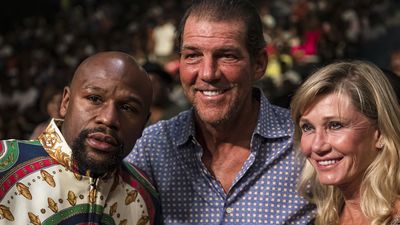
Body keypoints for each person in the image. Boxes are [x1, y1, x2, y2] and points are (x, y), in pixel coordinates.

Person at [126, 0, 315, 224]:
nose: (208, 73)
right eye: (193, 55)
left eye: (227, 55)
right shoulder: (151, 149)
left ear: (259, 64)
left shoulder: (308, 145)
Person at [0, 51, 162, 225]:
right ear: (65, 102)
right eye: (94, 99)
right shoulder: (4, 166)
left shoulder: (145, 198)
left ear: (144, 123)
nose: (108, 118)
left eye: (128, 108)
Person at [290, 60, 400, 225]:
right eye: (307, 127)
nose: (317, 146)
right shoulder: (322, 218)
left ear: (381, 133)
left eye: (335, 125)